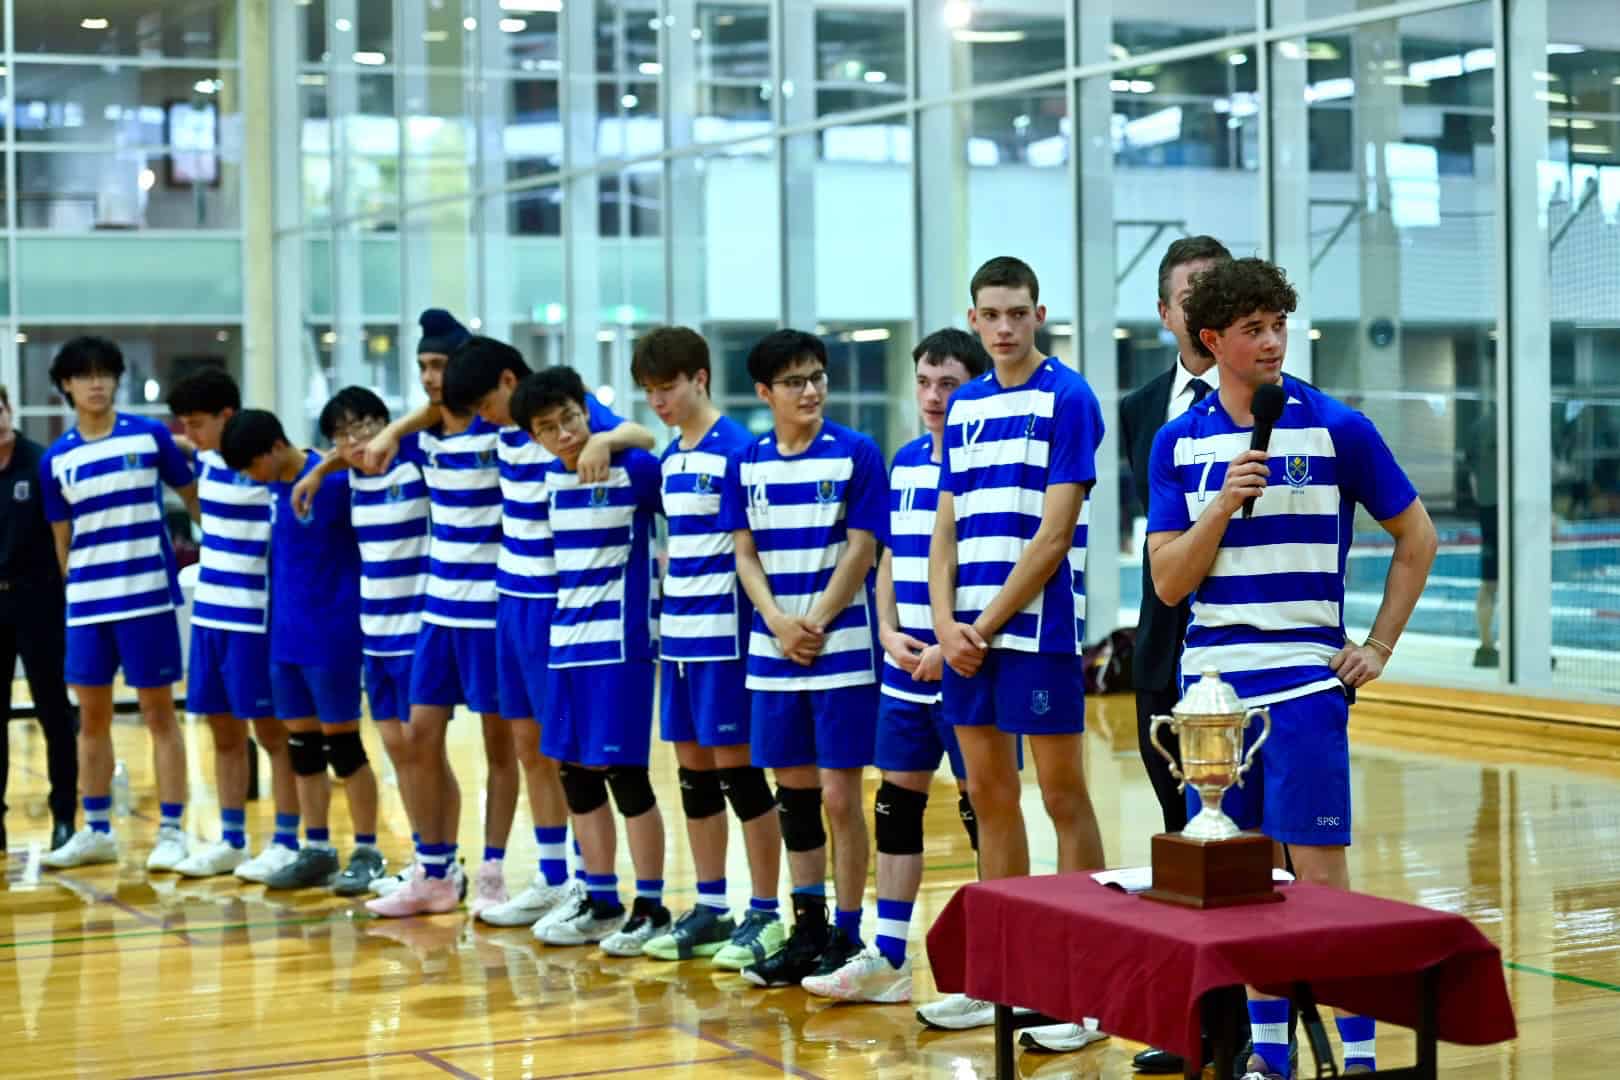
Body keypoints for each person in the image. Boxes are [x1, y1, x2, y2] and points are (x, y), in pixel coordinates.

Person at [1148, 257, 1438, 1079]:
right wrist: (1220, 505)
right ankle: (1269, 1059)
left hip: (1307, 688)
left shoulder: (1339, 427)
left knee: (1321, 882)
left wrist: (1377, 647)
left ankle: (1360, 1059)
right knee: (1243, 885)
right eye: (1254, 329)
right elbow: (1167, 583)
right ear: (1212, 340)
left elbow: (1417, 539)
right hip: (1212, 701)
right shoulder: (1178, 441)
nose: (1273, 342)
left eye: (1279, 325)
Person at [919, 257, 1108, 1041]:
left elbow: (1054, 536)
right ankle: (1002, 977)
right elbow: (945, 528)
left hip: (1035, 636)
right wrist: (945, 625)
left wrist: (981, 626)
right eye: (991, 315)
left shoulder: (1070, 397)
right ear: (974, 319)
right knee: (989, 800)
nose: (1003, 327)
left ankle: (1085, 989)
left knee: (1063, 797)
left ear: (1038, 314)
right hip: (967, 640)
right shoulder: (963, 405)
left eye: (1017, 313)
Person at [437, 337, 657, 931]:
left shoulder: (566, 414)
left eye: (485, 405)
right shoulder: (512, 428)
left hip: (556, 607)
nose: (483, 419)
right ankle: (554, 876)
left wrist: (606, 440)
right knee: (531, 746)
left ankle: (590, 881)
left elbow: (639, 434)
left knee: (571, 753)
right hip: (512, 605)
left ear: (509, 382)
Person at [802, 327, 990, 1005]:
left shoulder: (985, 464)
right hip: (904, 668)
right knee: (896, 807)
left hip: (965, 665)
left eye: (949, 384)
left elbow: (991, 567)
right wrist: (885, 630)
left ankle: (996, 968)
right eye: (925, 383)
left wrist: (949, 643)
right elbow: (885, 559)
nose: (934, 397)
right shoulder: (905, 461)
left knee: (983, 811)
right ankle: (887, 959)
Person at [717, 329, 886, 989]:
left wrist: (812, 621)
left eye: (817, 377)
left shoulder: (856, 452)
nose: (810, 390)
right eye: (794, 381)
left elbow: (862, 549)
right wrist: (777, 622)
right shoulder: (747, 462)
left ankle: (848, 931)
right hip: (774, 651)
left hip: (840, 651)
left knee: (840, 796)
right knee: (794, 796)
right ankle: (807, 926)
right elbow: (744, 554)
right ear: (765, 393)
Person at [629, 326, 788, 969]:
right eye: (649, 391)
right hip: (680, 642)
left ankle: (766, 912)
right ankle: (712, 905)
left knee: (741, 778)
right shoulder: (670, 457)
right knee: (694, 778)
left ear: (700, 379)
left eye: (667, 387)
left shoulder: (740, 451)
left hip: (727, 639)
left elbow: (756, 553)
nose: (658, 402)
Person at [1118, 236, 1233, 1075]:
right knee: (1181, 840)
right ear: (1165, 313)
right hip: (1165, 647)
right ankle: (1199, 1022)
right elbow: (1162, 533)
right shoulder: (1141, 409)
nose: (1202, 306)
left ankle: (1262, 1030)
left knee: (1253, 848)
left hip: (1249, 653)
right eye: (1189, 294)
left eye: (1216, 290)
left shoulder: (1280, 404)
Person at [510, 366, 669, 953]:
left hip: (620, 651)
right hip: (566, 649)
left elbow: (649, 440)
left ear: (586, 413)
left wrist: (609, 437)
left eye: (571, 420)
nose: (565, 434)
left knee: (626, 776)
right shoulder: (547, 481)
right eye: (548, 428)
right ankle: (601, 900)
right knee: (573, 774)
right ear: (534, 436)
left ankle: (651, 906)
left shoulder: (633, 470)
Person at [40, 336, 199, 872]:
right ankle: (97, 829)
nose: (97, 383)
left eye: (105, 373)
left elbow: (195, 500)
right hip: (88, 606)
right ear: (66, 385)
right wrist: (77, 590)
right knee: (91, 719)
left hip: (147, 599)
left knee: (160, 714)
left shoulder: (151, 436)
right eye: (85, 375)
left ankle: (173, 830)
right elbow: (62, 543)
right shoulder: (56, 459)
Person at [222, 409, 385, 893]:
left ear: (276, 448)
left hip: (332, 634)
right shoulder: (273, 489)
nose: (251, 477)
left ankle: (368, 850)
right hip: (285, 637)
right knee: (303, 750)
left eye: (253, 465)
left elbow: (361, 454)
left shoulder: (333, 481)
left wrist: (322, 466)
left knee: (345, 748)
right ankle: (317, 848)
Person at [164, 368, 301, 882]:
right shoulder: (203, 457)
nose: (190, 434)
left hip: (253, 619)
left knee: (273, 735)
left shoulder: (267, 470)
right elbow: (180, 442)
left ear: (228, 416)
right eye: (185, 424)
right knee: (222, 732)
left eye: (198, 423)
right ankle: (232, 840)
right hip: (209, 616)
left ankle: (286, 840)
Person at [315, 387, 432, 896]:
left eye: (364, 425)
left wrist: (394, 433)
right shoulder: (348, 481)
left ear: (384, 424)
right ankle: (424, 857)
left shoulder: (415, 463)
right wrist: (321, 470)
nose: (356, 440)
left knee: (423, 751)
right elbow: (317, 459)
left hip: (418, 631)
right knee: (397, 753)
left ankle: (441, 859)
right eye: (343, 434)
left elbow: (433, 413)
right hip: (375, 637)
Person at [0, 384, 77, 855]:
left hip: (40, 601)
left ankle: (64, 815)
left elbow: (63, 532)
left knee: (54, 711)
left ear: (9, 410)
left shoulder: (41, 462)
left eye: (0, 408)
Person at [1465, 404, 1499, 668]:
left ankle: (1486, 646)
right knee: (1518, 582)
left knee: (1489, 582)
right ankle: (1525, 647)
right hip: (1512, 512)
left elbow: (1473, 478)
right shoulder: (1525, 426)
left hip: (1488, 509)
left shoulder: (1478, 428)